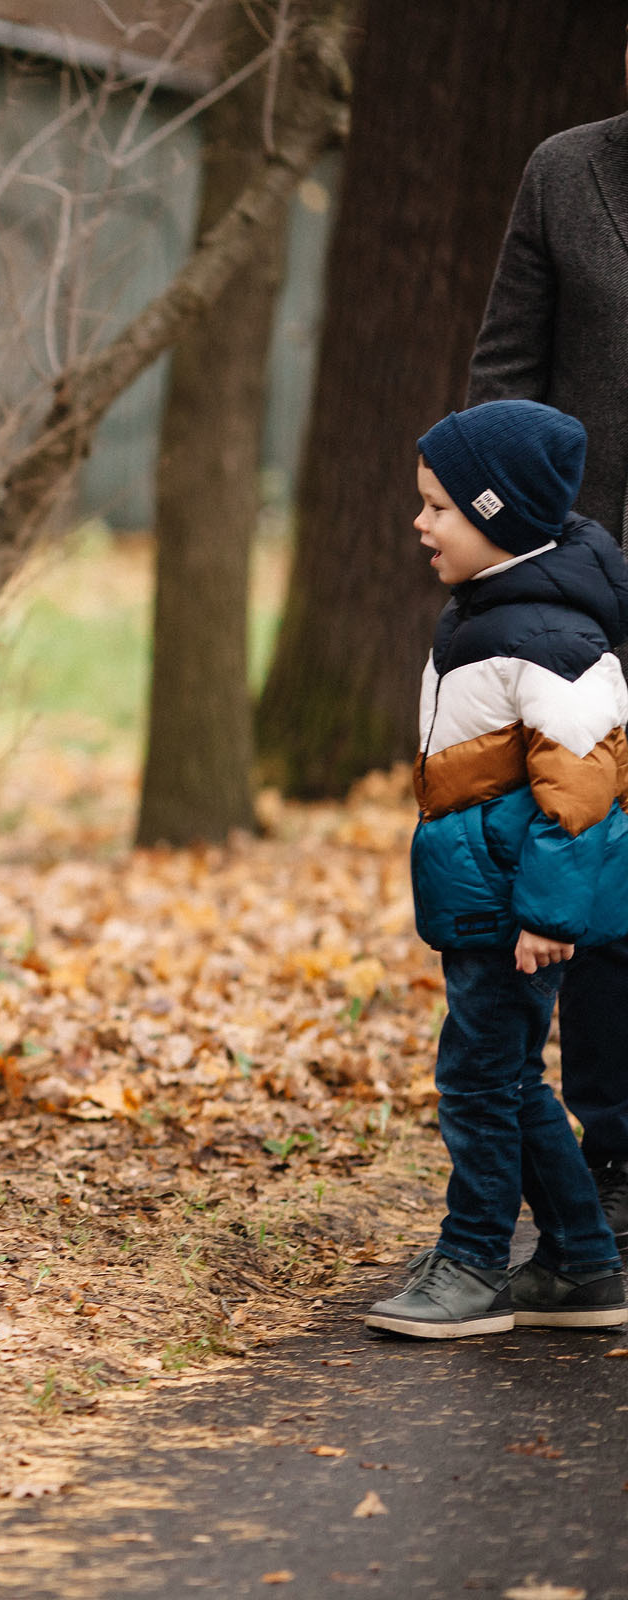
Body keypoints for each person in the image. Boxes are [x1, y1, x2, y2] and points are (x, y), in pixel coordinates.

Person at [367, 401, 628, 1338]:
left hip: (517, 905)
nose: (420, 523)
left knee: (481, 1080)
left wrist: (550, 915)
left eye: (439, 507)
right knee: (507, 1079)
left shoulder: (552, 640)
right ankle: (583, 1265)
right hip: (489, 895)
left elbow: (587, 789)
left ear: (498, 514)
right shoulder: (492, 611)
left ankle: (474, 1261)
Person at [468, 81, 628, 1236]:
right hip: (596, 588)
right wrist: (522, 559)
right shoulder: (567, 171)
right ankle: (615, 1140)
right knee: (599, 847)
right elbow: (506, 384)